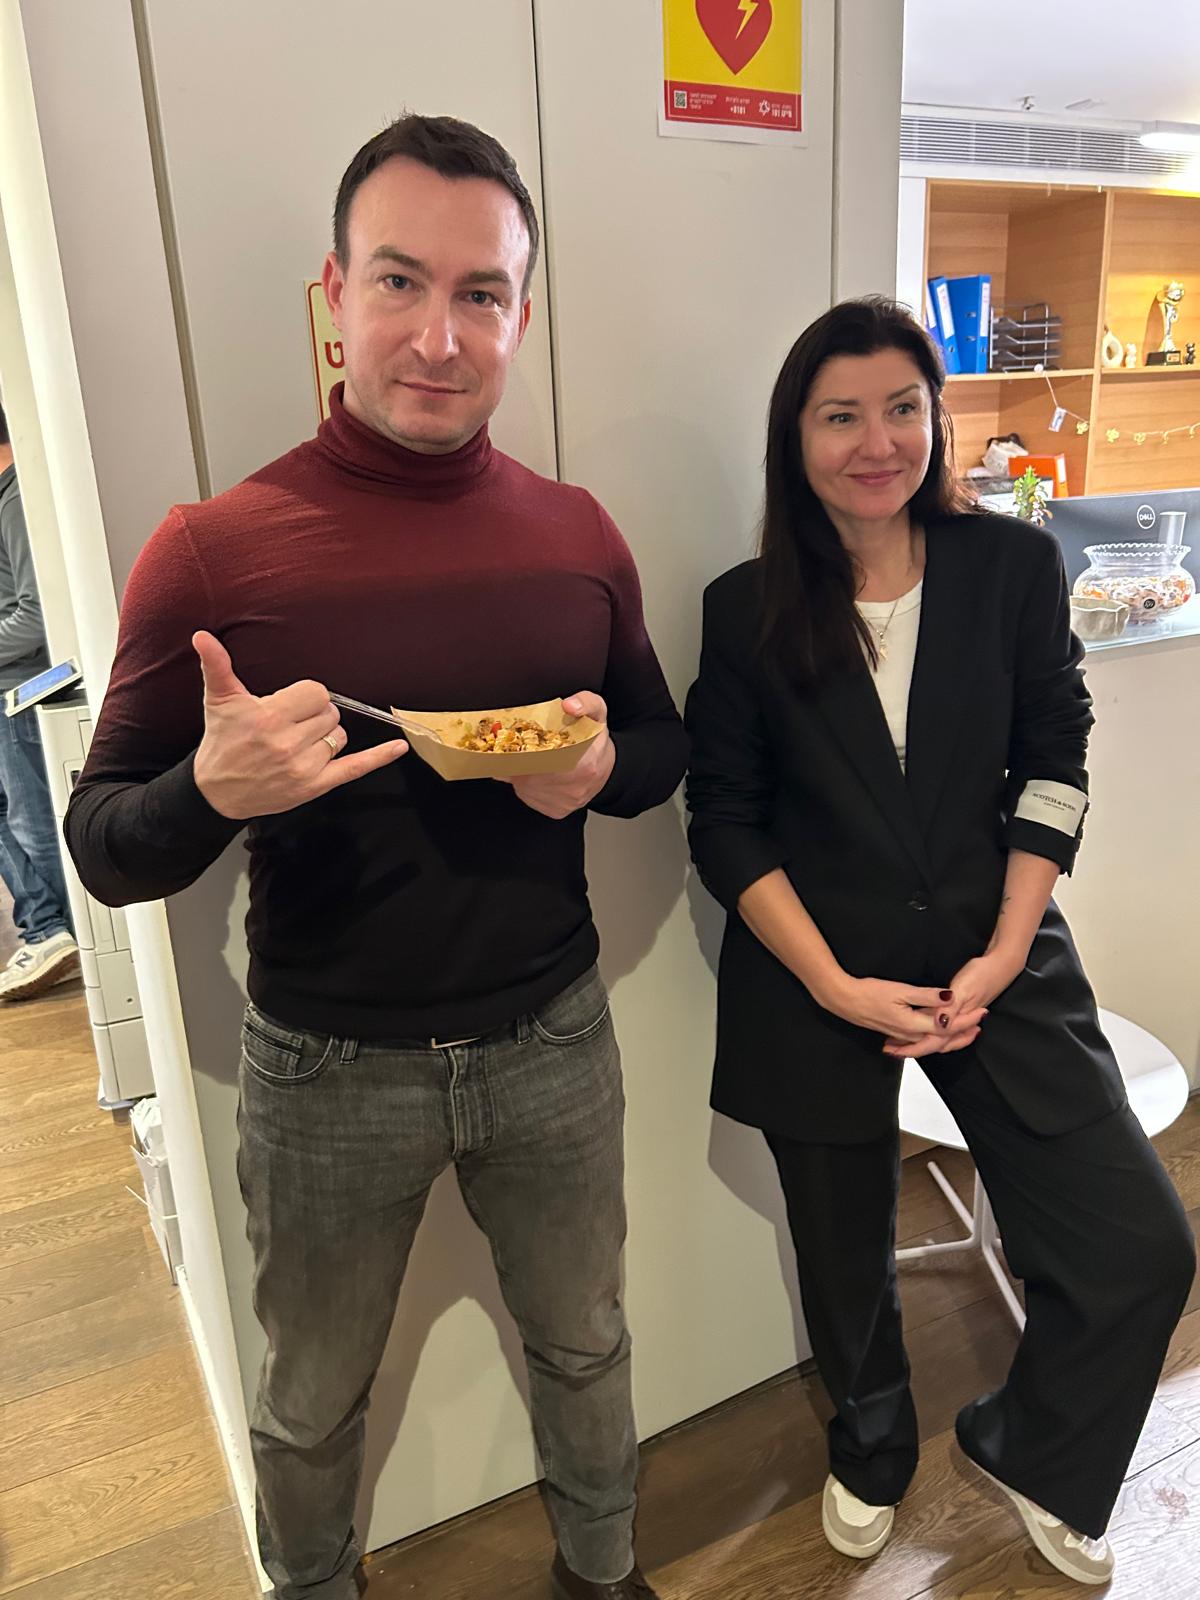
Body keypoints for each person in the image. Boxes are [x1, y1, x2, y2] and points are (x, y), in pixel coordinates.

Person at [65, 115, 683, 1600]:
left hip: (554, 1039)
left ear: (521, 314)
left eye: (482, 293)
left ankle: (605, 1576)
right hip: (325, 1071)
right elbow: (100, 847)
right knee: (309, 1402)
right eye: (400, 281)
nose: (440, 336)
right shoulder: (214, 549)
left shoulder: (579, 534)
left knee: (587, 1344)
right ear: (335, 294)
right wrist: (209, 789)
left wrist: (600, 771)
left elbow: (664, 748)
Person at [684, 296, 1194, 1586]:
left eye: (902, 408)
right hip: (814, 971)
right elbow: (726, 822)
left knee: (1142, 1244)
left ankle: (1041, 1446)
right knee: (842, 1246)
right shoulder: (747, 608)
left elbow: (1056, 763)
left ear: (937, 417)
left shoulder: (1012, 567)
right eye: (840, 415)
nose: (877, 442)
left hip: (994, 946)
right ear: (795, 437)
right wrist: (834, 985)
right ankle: (870, 1448)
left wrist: (1010, 946)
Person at [0, 400, 79, 1000]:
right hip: (11, 689)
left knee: (33, 819)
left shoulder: (16, 500)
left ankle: (61, 932)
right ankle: (47, 929)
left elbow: (36, 614)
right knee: (18, 817)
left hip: (22, 691)